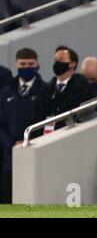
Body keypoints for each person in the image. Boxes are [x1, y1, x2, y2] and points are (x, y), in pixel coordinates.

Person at [0, 48, 46, 203]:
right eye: (23, 64)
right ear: (16, 64)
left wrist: (34, 143)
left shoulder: (45, 90)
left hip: (37, 155)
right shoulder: (6, 92)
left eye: (31, 64)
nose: (27, 67)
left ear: (37, 64)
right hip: (10, 159)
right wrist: (12, 144)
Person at [33, 46, 97, 131]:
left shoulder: (82, 86)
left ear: (72, 63)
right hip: (47, 137)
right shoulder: (46, 89)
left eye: (61, 59)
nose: (57, 63)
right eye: (55, 60)